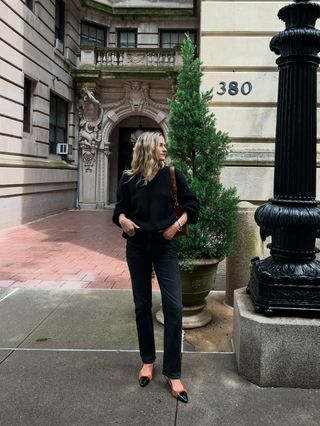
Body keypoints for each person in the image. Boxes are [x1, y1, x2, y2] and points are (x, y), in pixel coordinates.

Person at [112, 131, 199, 403]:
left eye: (165, 145)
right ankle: (147, 361)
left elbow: (192, 205)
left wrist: (176, 225)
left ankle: (173, 373)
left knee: (173, 306)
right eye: (161, 145)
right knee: (142, 305)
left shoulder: (172, 174)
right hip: (137, 246)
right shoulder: (129, 178)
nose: (165, 148)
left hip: (165, 246)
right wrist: (124, 220)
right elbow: (119, 211)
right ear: (149, 148)